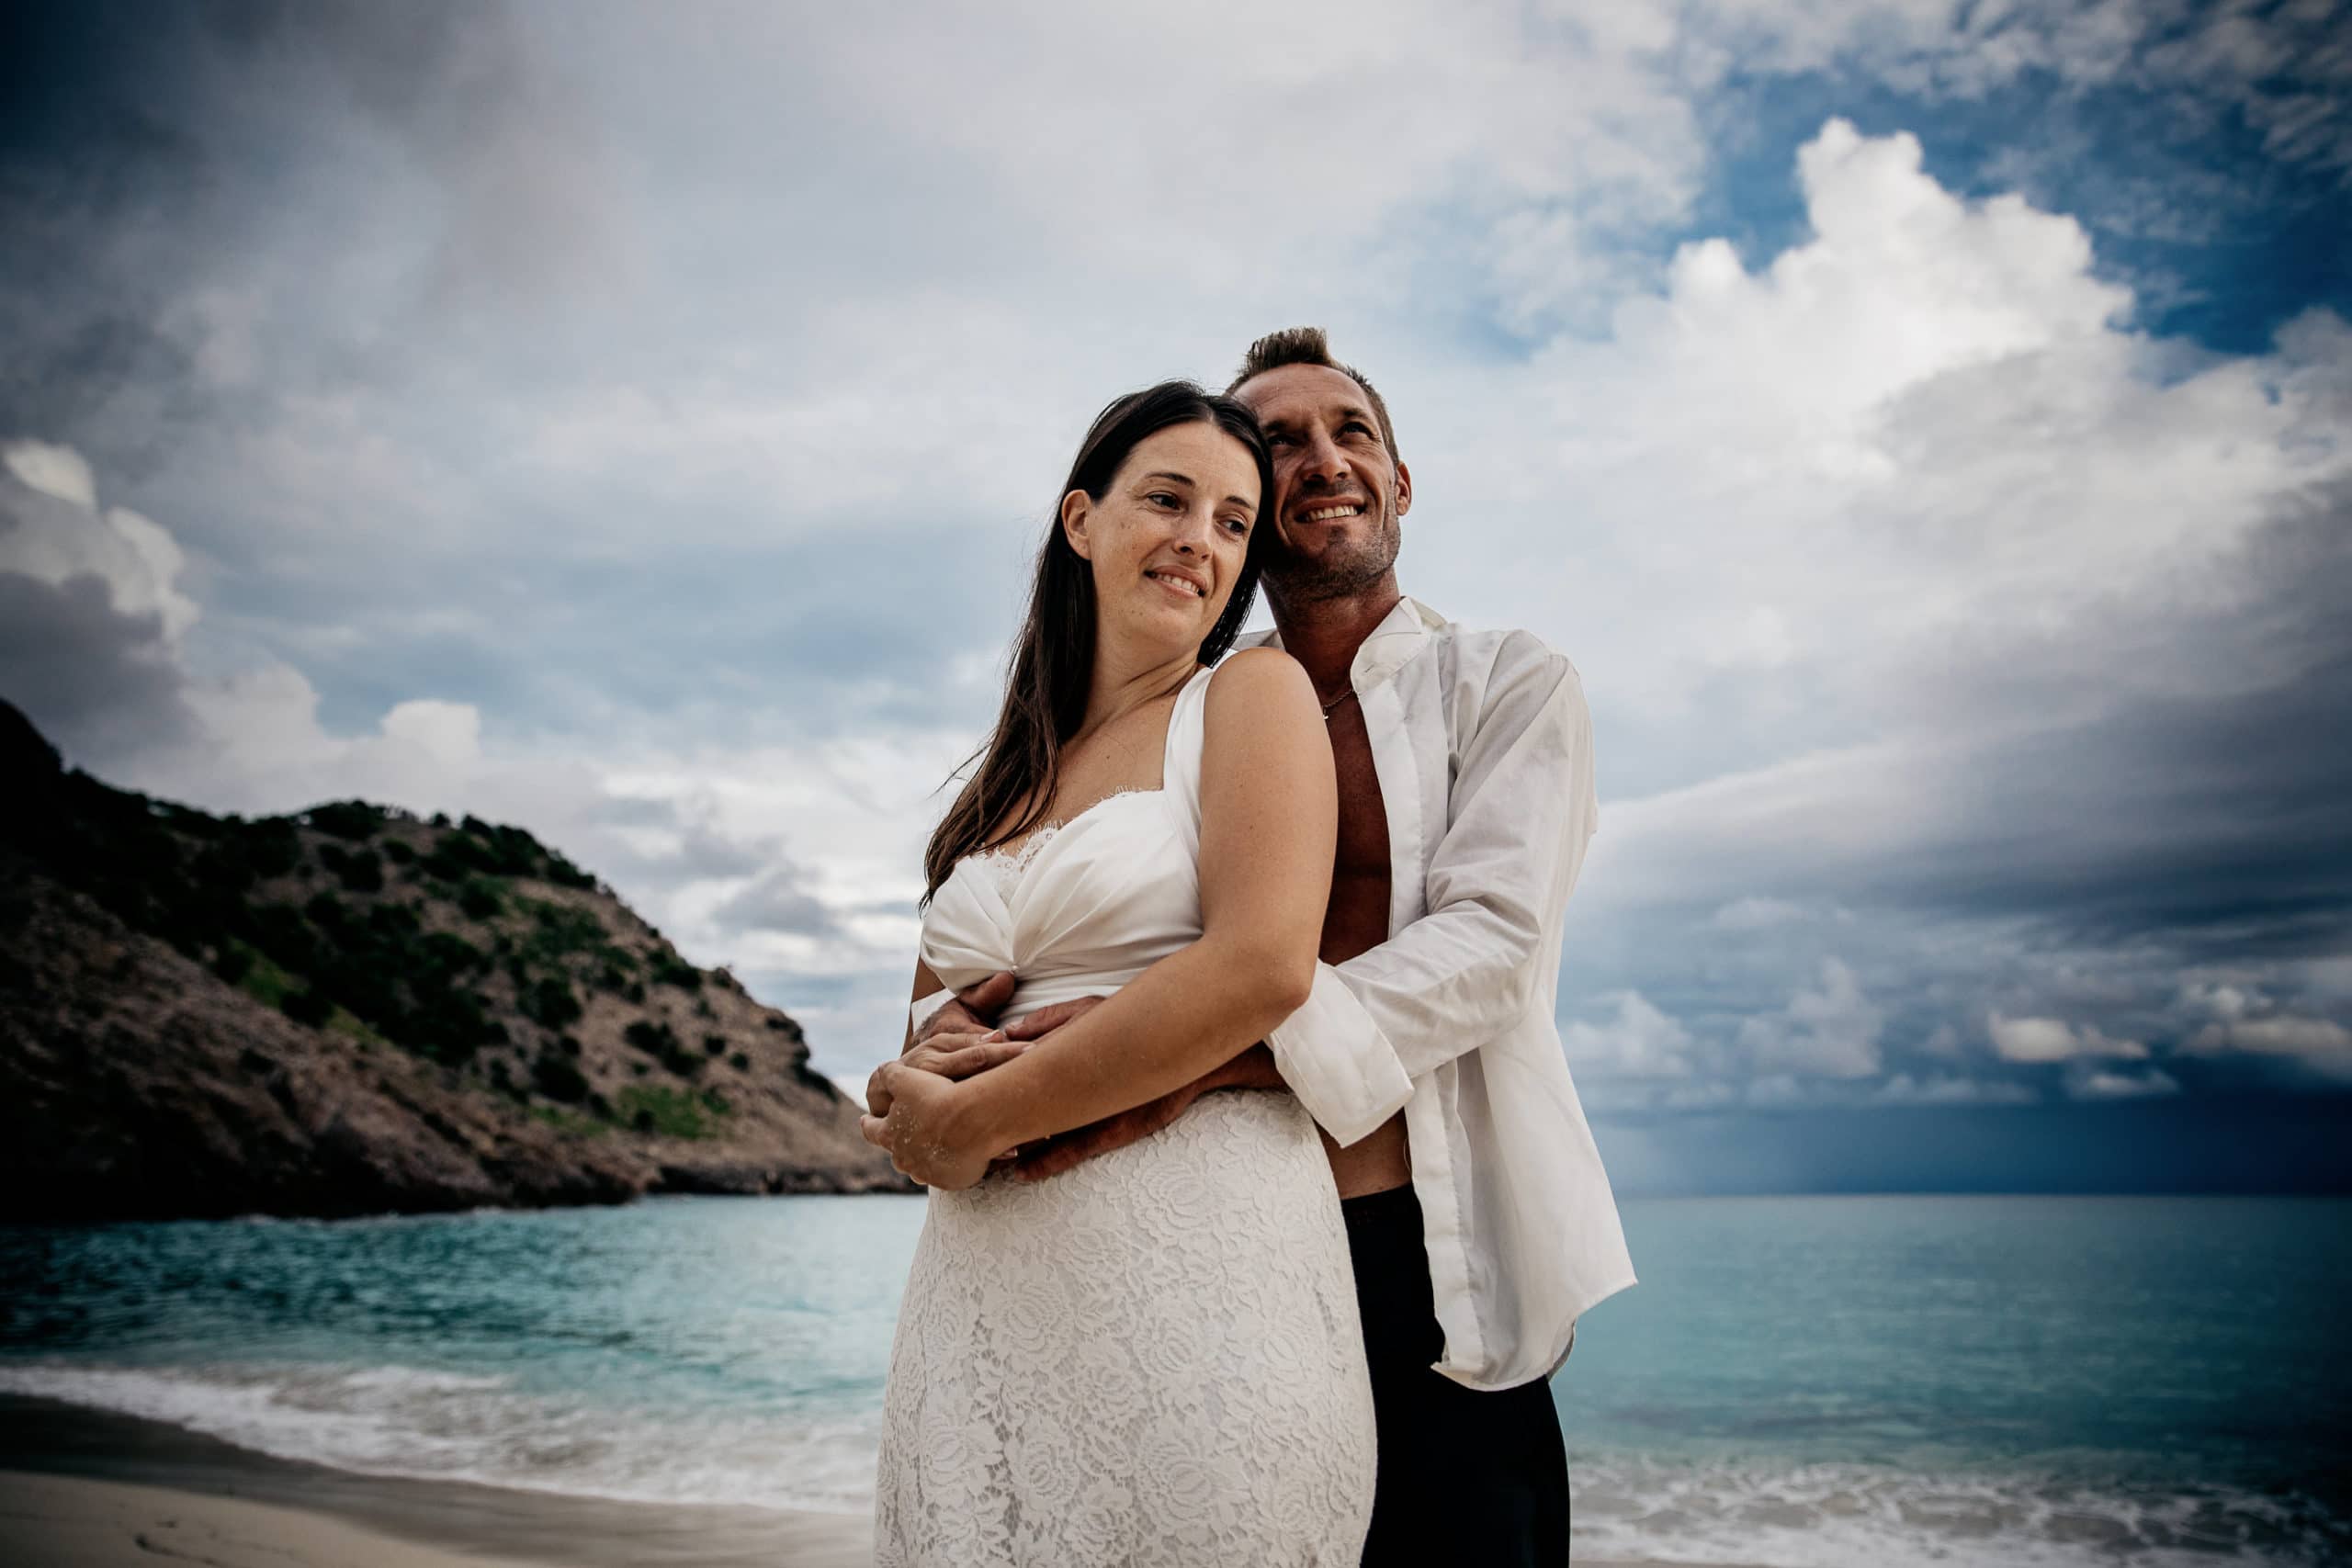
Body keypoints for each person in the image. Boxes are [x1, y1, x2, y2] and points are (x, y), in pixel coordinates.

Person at [910, 328, 1637, 1566]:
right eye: (1281, 443)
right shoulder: (1191, 711)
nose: (1323, 461)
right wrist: (951, 1046)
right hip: (1190, 1249)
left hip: (1420, 1246)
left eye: (1353, 433)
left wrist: (1208, 1053)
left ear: (1402, 484)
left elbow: (1494, 946)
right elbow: (1094, 934)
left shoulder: (1505, 681)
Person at [860, 380, 1378, 1565]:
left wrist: (977, 1114)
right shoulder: (1003, 779)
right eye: (1168, 499)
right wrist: (911, 1086)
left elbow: (1261, 968)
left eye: (1234, 522)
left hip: (1197, 1266)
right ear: (1081, 520)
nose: (1200, 539)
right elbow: (927, 1021)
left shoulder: (1249, 694)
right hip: (982, 1286)